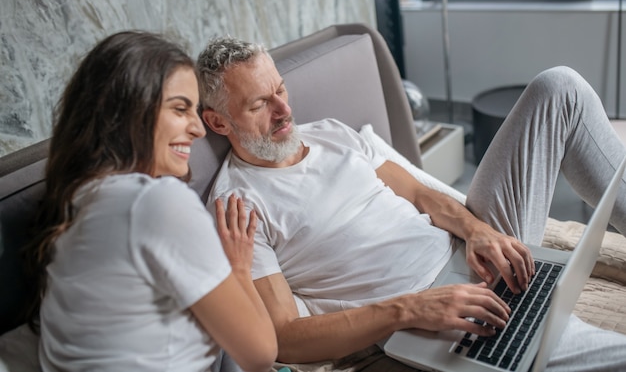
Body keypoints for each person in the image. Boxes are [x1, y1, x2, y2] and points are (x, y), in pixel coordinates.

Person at [196, 35, 626, 372]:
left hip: (468, 251)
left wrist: (477, 230)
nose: (283, 109)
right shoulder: (238, 205)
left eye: (280, 89)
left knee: (559, 86)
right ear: (217, 121)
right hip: (433, 315)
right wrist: (410, 309)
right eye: (259, 104)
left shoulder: (330, 132)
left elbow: (421, 194)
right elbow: (285, 336)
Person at [22, 31, 277, 372]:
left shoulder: (75, 201)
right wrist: (240, 270)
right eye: (180, 109)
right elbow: (261, 354)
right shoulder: (155, 203)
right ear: (128, 110)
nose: (198, 129)